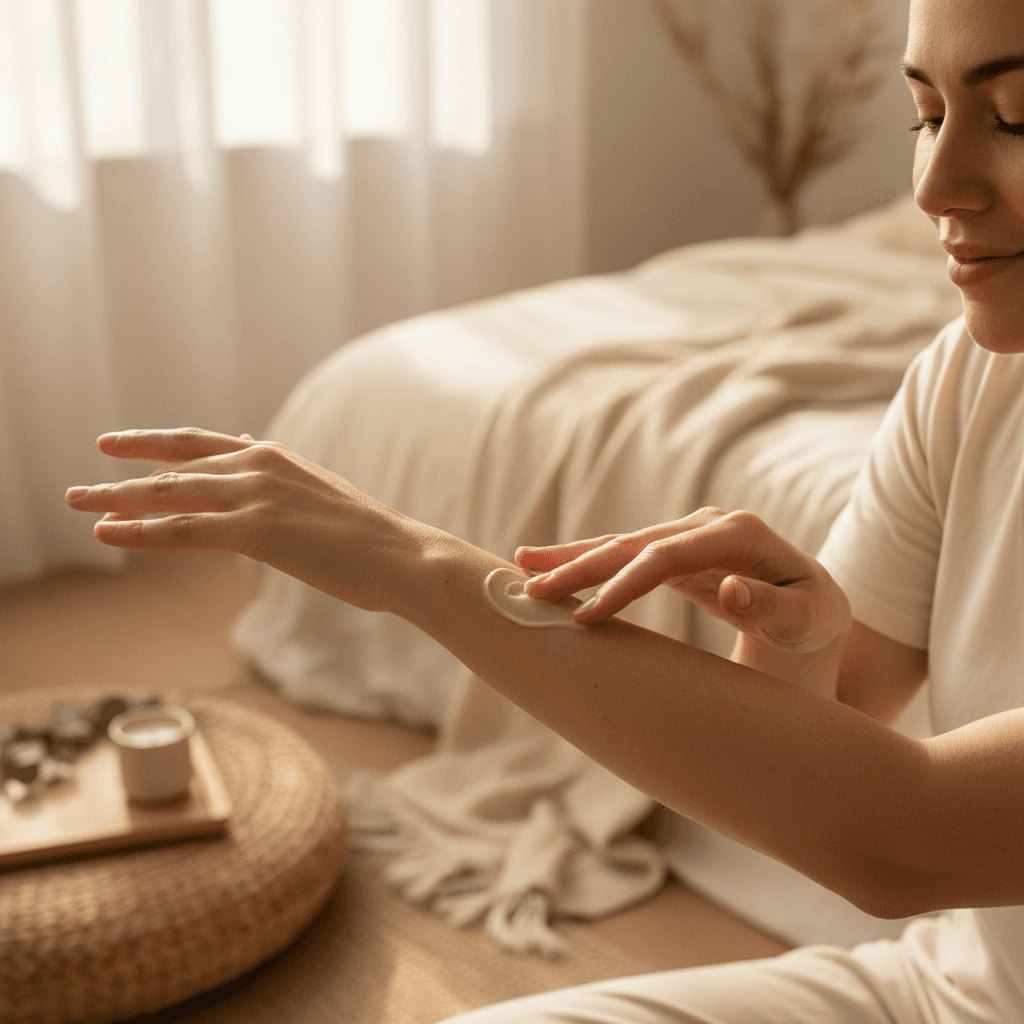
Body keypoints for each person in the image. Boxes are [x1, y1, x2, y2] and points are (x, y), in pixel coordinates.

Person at [65, 0, 1024, 1019]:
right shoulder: (967, 377)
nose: (934, 187)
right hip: (948, 989)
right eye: (924, 114)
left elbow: (902, 837)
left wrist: (415, 566)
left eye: (1014, 116)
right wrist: (801, 648)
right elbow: (813, 761)